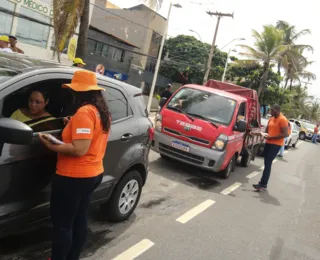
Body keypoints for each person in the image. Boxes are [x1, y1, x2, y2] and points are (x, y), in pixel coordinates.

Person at [38, 70, 111, 260]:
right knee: (79, 219)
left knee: (62, 224)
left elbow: (79, 149)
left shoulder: (84, 112)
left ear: (78, 92)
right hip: (93, 174)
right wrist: (71, 124)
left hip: (74, 177)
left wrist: (51, 145)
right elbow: (88, 136)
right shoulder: (99, 111)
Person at [252, 104, 289, 191]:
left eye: (272, 110)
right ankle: (263, 184)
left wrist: (271, 137)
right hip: (268, 142)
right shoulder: (271, 119)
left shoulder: (283, 119)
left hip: (276, 145)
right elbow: (267, 130)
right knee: (266, 163)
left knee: (268, 164)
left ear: (277, 110)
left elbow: (285, 134)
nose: (270, 112)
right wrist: (263, 136)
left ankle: (263, 184)